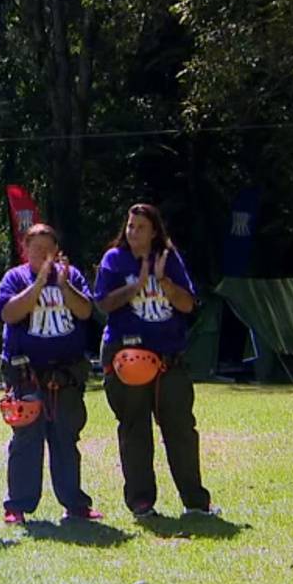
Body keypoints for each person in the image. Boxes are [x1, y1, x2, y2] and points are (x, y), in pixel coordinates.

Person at [93, 204, 214, 518]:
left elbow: (187, 305)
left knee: (181, 430)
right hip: (126, 357)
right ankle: (142, 503)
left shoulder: (169, 259)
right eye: (130, 226)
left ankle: (196, 503)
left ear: (155, 231)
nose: (133, 232)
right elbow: (104, 304)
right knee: (135, 430)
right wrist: (137, 283)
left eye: (140, 227)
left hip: (168, 360)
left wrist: (163, 281)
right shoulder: (114, 260)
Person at [0, 223, 101, 524]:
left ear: (57, 250)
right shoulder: (15, 279)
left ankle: (75, 503)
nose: (43, 254)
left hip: (66, 371)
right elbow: (9, 314)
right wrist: (39, 284)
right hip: (25, 370)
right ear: (25, 249)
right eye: (36, 248)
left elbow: (85, 312)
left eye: (48, 249)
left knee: (66, 437)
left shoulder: (73, 276)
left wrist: (64, 284)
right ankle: (17, 505)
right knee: (26, 438)